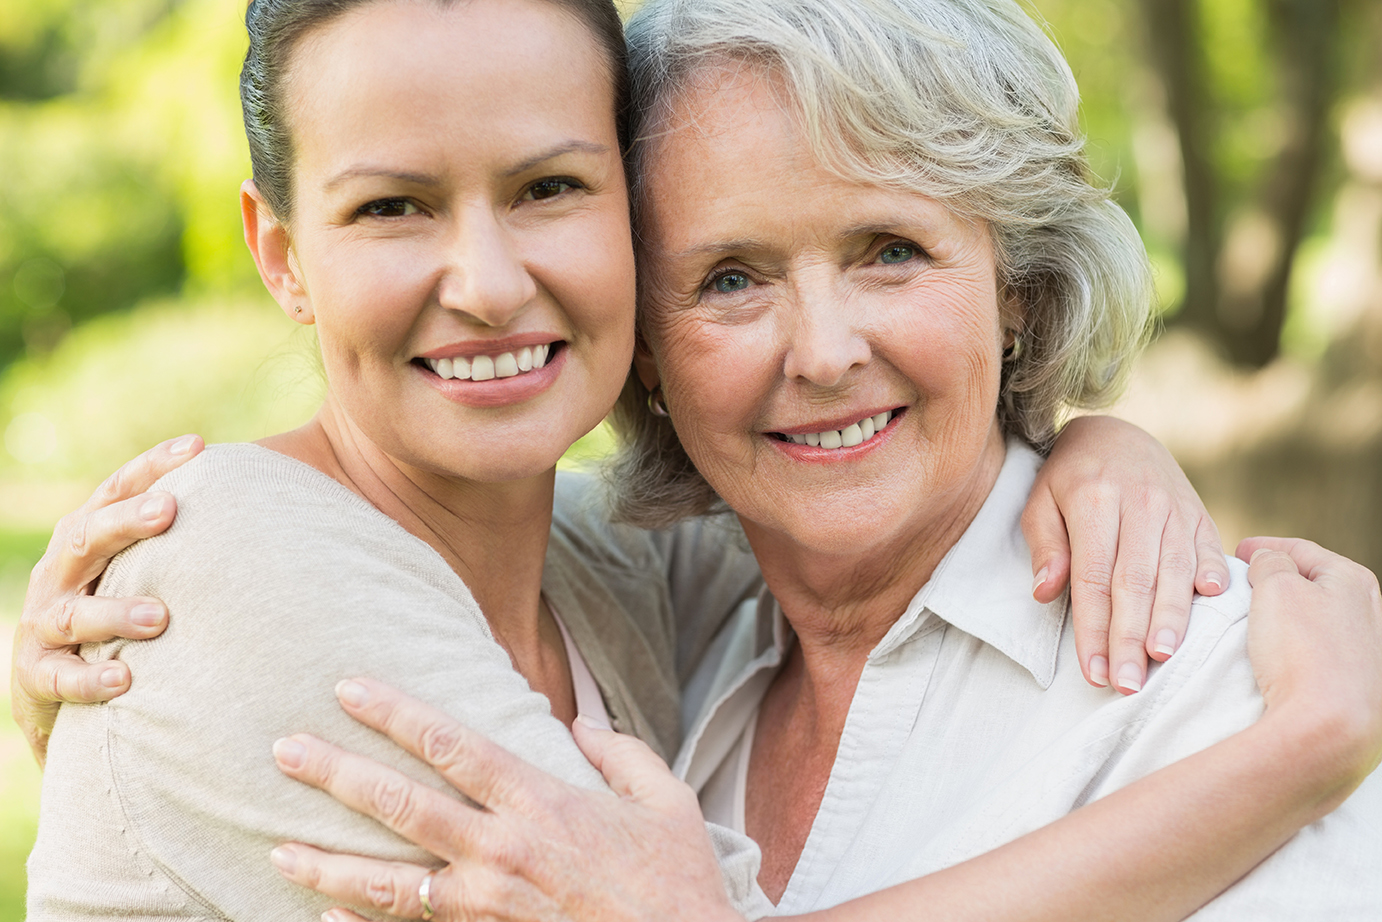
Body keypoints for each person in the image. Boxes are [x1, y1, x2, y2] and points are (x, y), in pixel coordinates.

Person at [12, 0, 1377, 920]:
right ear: (281, 252)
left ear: (1014, 283)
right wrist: (1293, 753)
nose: (487, 281)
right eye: (728, 274)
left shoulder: (634, 577)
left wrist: (1097, 440)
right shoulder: (243, 571)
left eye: (889, 249)